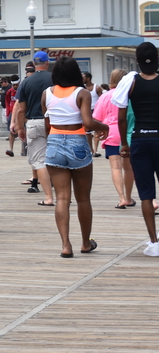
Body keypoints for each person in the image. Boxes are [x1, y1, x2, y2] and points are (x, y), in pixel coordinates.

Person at [42, 56, 108, 257]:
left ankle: (65, 245)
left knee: (62, 198)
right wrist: (104, 127)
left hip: (54, 143)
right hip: (77, 143)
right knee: (83, 199)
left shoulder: (46, 93)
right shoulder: (82, 93)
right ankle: (85, 243)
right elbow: (87, 122)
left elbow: (47, 124)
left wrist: (54, 140)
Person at [114, 42, 159, 256]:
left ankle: (154, 241)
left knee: (146, 195)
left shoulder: (130, 83)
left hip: (140, 139)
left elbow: (121, 117)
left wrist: (124, 143)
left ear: (137, 61)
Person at [15, 51, 55, 205]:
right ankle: (64, 195)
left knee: (40, 161)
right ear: (47, 63)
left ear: (34, 64)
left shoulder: (26, 82)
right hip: (54, 123)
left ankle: (48, 197)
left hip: (34, 122)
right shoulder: (54, 79)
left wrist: (20, 128)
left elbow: (21, 109)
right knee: (57, 160)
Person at [94, 69, 135, 209]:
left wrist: (99, 131)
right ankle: (129, 198)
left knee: (115, 167)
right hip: (128, 133)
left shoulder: (105, 96)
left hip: (110, 132)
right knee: (128, 168)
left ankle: (121, 198)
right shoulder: (130, 95)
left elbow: (97, 118)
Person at [83, 71, 104, 157]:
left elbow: (101, 99)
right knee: (87, 131)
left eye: (83, 77)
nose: (82, 79)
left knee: (97, 131)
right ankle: (90, 150)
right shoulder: (82, 88)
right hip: (86, 110)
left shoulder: (97, 87)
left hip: (96, 111)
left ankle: (95, 150)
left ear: (88, 78)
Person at [2, 78, 18, 156]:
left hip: (21, 112)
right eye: (14, 85)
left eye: (16, 85)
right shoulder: (9, 92)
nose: (15, 86)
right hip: (12, 113)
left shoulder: (21, 91)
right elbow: (7, 102)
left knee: (23, 130)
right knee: (12, 132)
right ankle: (11, 149)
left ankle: (23, 150)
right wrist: (7, 113)